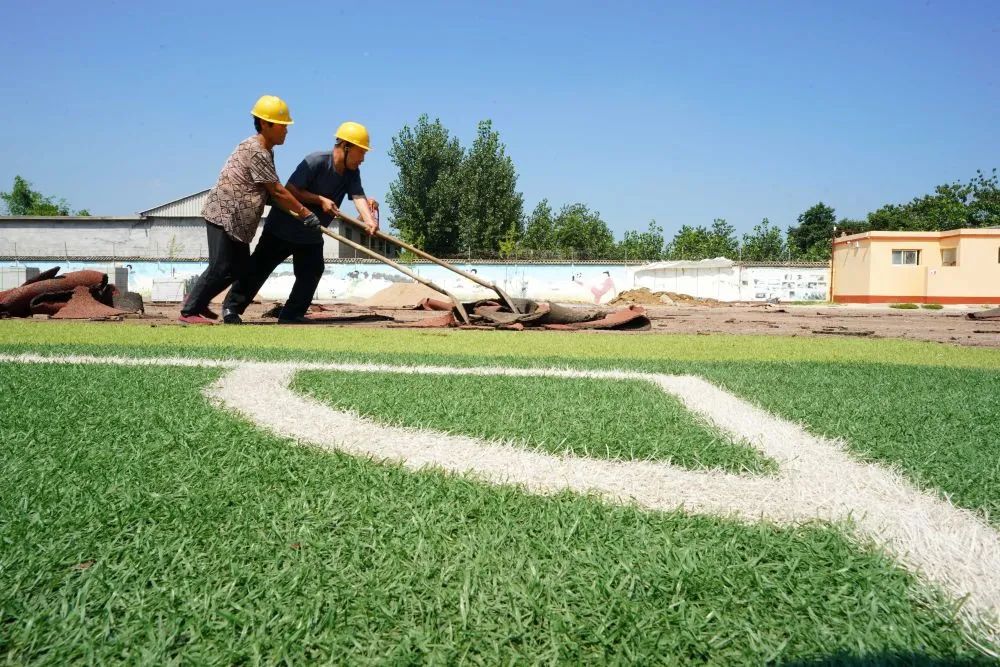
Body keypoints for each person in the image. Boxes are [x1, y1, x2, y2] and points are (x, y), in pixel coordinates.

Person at [178, 95, 319, 324]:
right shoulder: (256, 150)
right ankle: (189, 310)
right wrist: (305, 213)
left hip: (239, 221)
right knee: (221, 267)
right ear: (265, 124)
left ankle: (199, 302)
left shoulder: (266, 151)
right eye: (282, 125)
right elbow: (276, 190)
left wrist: (291, 207)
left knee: (240, 268)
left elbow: (266, 190)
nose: (286, 130)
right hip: (225, 214)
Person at [222, 121, 380, 324]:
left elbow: (358, 196)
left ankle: (292, 314)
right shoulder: (316, 161)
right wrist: (320, 200)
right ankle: (231, 308)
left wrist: (369, 221)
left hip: (311, 232)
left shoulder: (352, 173)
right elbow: (291, 189)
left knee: (312, 270)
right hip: (283, 227)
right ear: (346, 146)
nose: (363, 159)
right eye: (362, 152)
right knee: (259, 267)